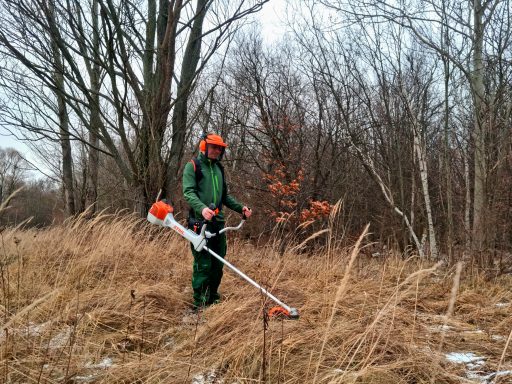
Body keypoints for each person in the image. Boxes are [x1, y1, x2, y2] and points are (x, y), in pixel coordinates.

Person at [182, 133, 252, 309]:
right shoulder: (193, 167)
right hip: (199, 223)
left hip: (218, 223)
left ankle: (213, 299)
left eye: (219, 148)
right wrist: (202, 208)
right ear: (204, 147)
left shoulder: (219, 169)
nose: (217, 151)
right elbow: (188, 192)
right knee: (203, 264)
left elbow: (224, 196)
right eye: (213, 147)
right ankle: (200, 304)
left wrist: (240, 208)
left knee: (218, 264)